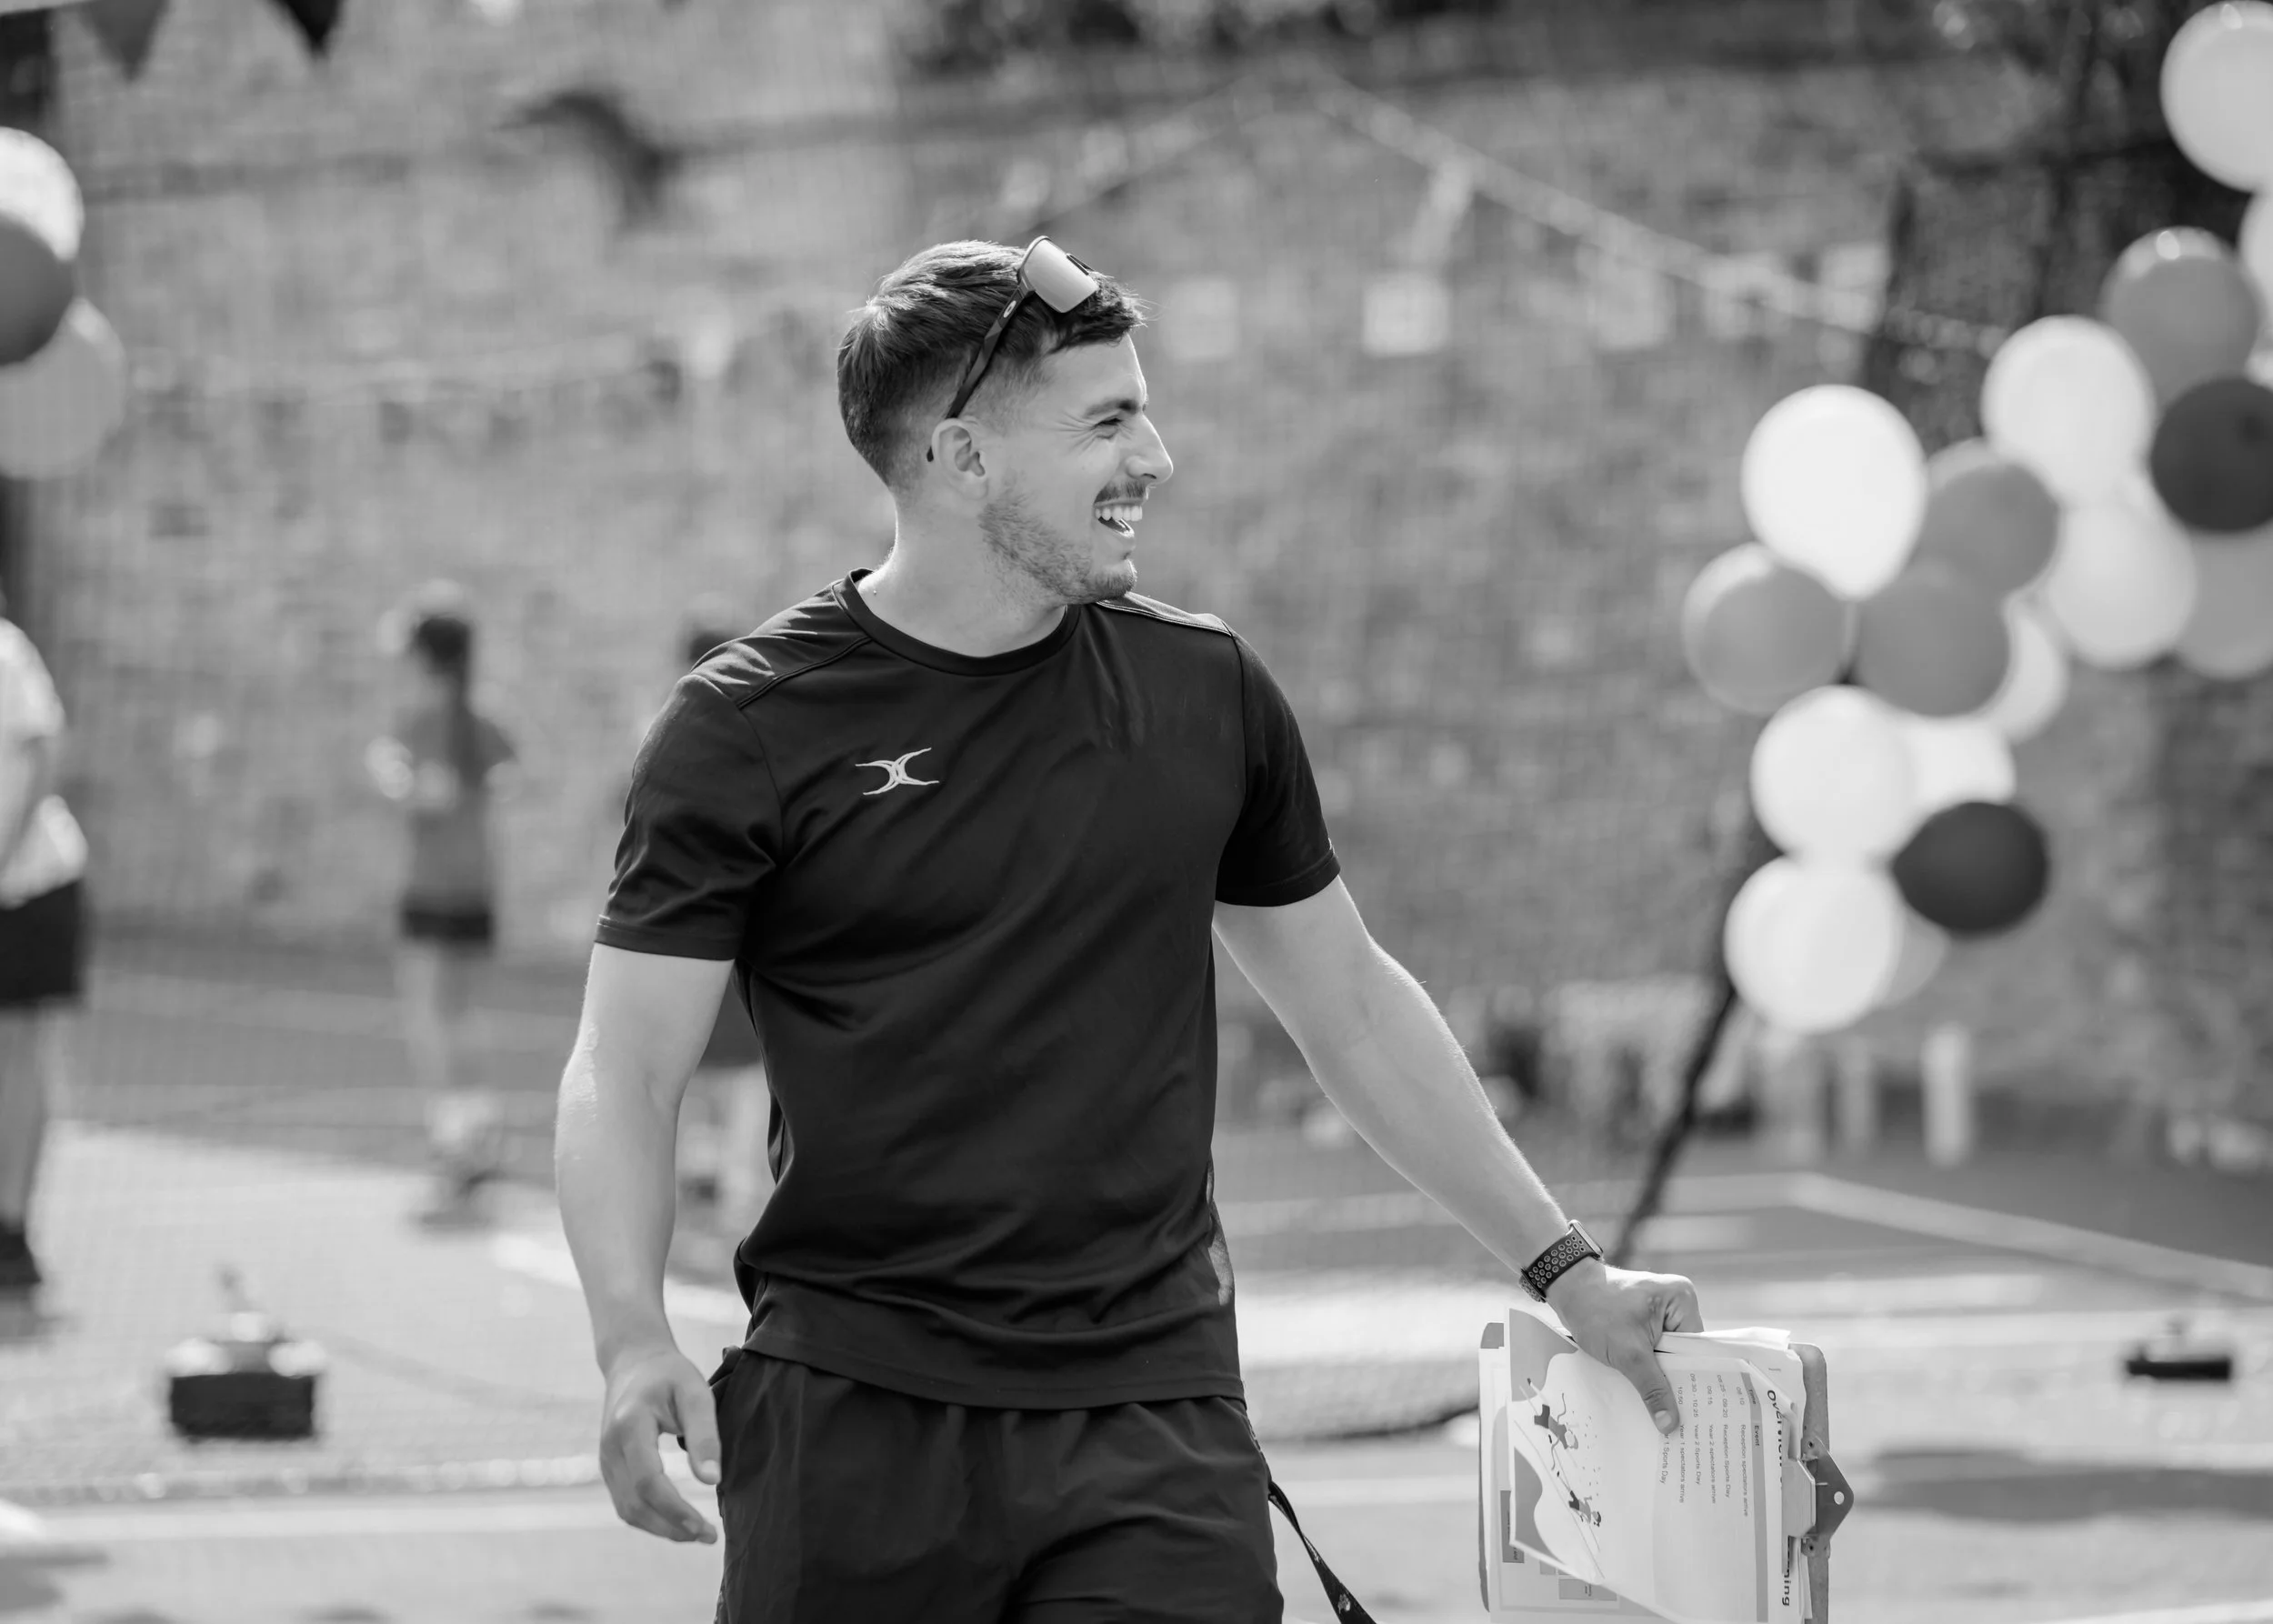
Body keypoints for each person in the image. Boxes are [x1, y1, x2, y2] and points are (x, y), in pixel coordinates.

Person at [556, 238, 1704, 1622]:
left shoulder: (1205, 691)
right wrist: (631, 1337)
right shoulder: (745, 728)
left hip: (1152, 1417)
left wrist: (1568, 1270)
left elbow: (1346, 1000)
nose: (1154, 457)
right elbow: (626, 1068)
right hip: (853, 1417)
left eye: (1143, 411)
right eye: (1106, 420)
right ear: (962, 460)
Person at [367, 584, 518, 1226]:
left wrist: (387, 774)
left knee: (431, 1017)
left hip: (433, 887)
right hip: (476, 884)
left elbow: (431, 794)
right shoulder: (478, 715)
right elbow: (509, 775)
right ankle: (478, 1130)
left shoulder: (428, 718)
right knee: (463, 1013)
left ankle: (456, 1143)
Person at [0, 594, 87, 1299]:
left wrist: (2, 860)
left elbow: (43, 753)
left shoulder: (5, 652)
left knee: (21, 1049)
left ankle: (13, 1227)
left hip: (30, 889)